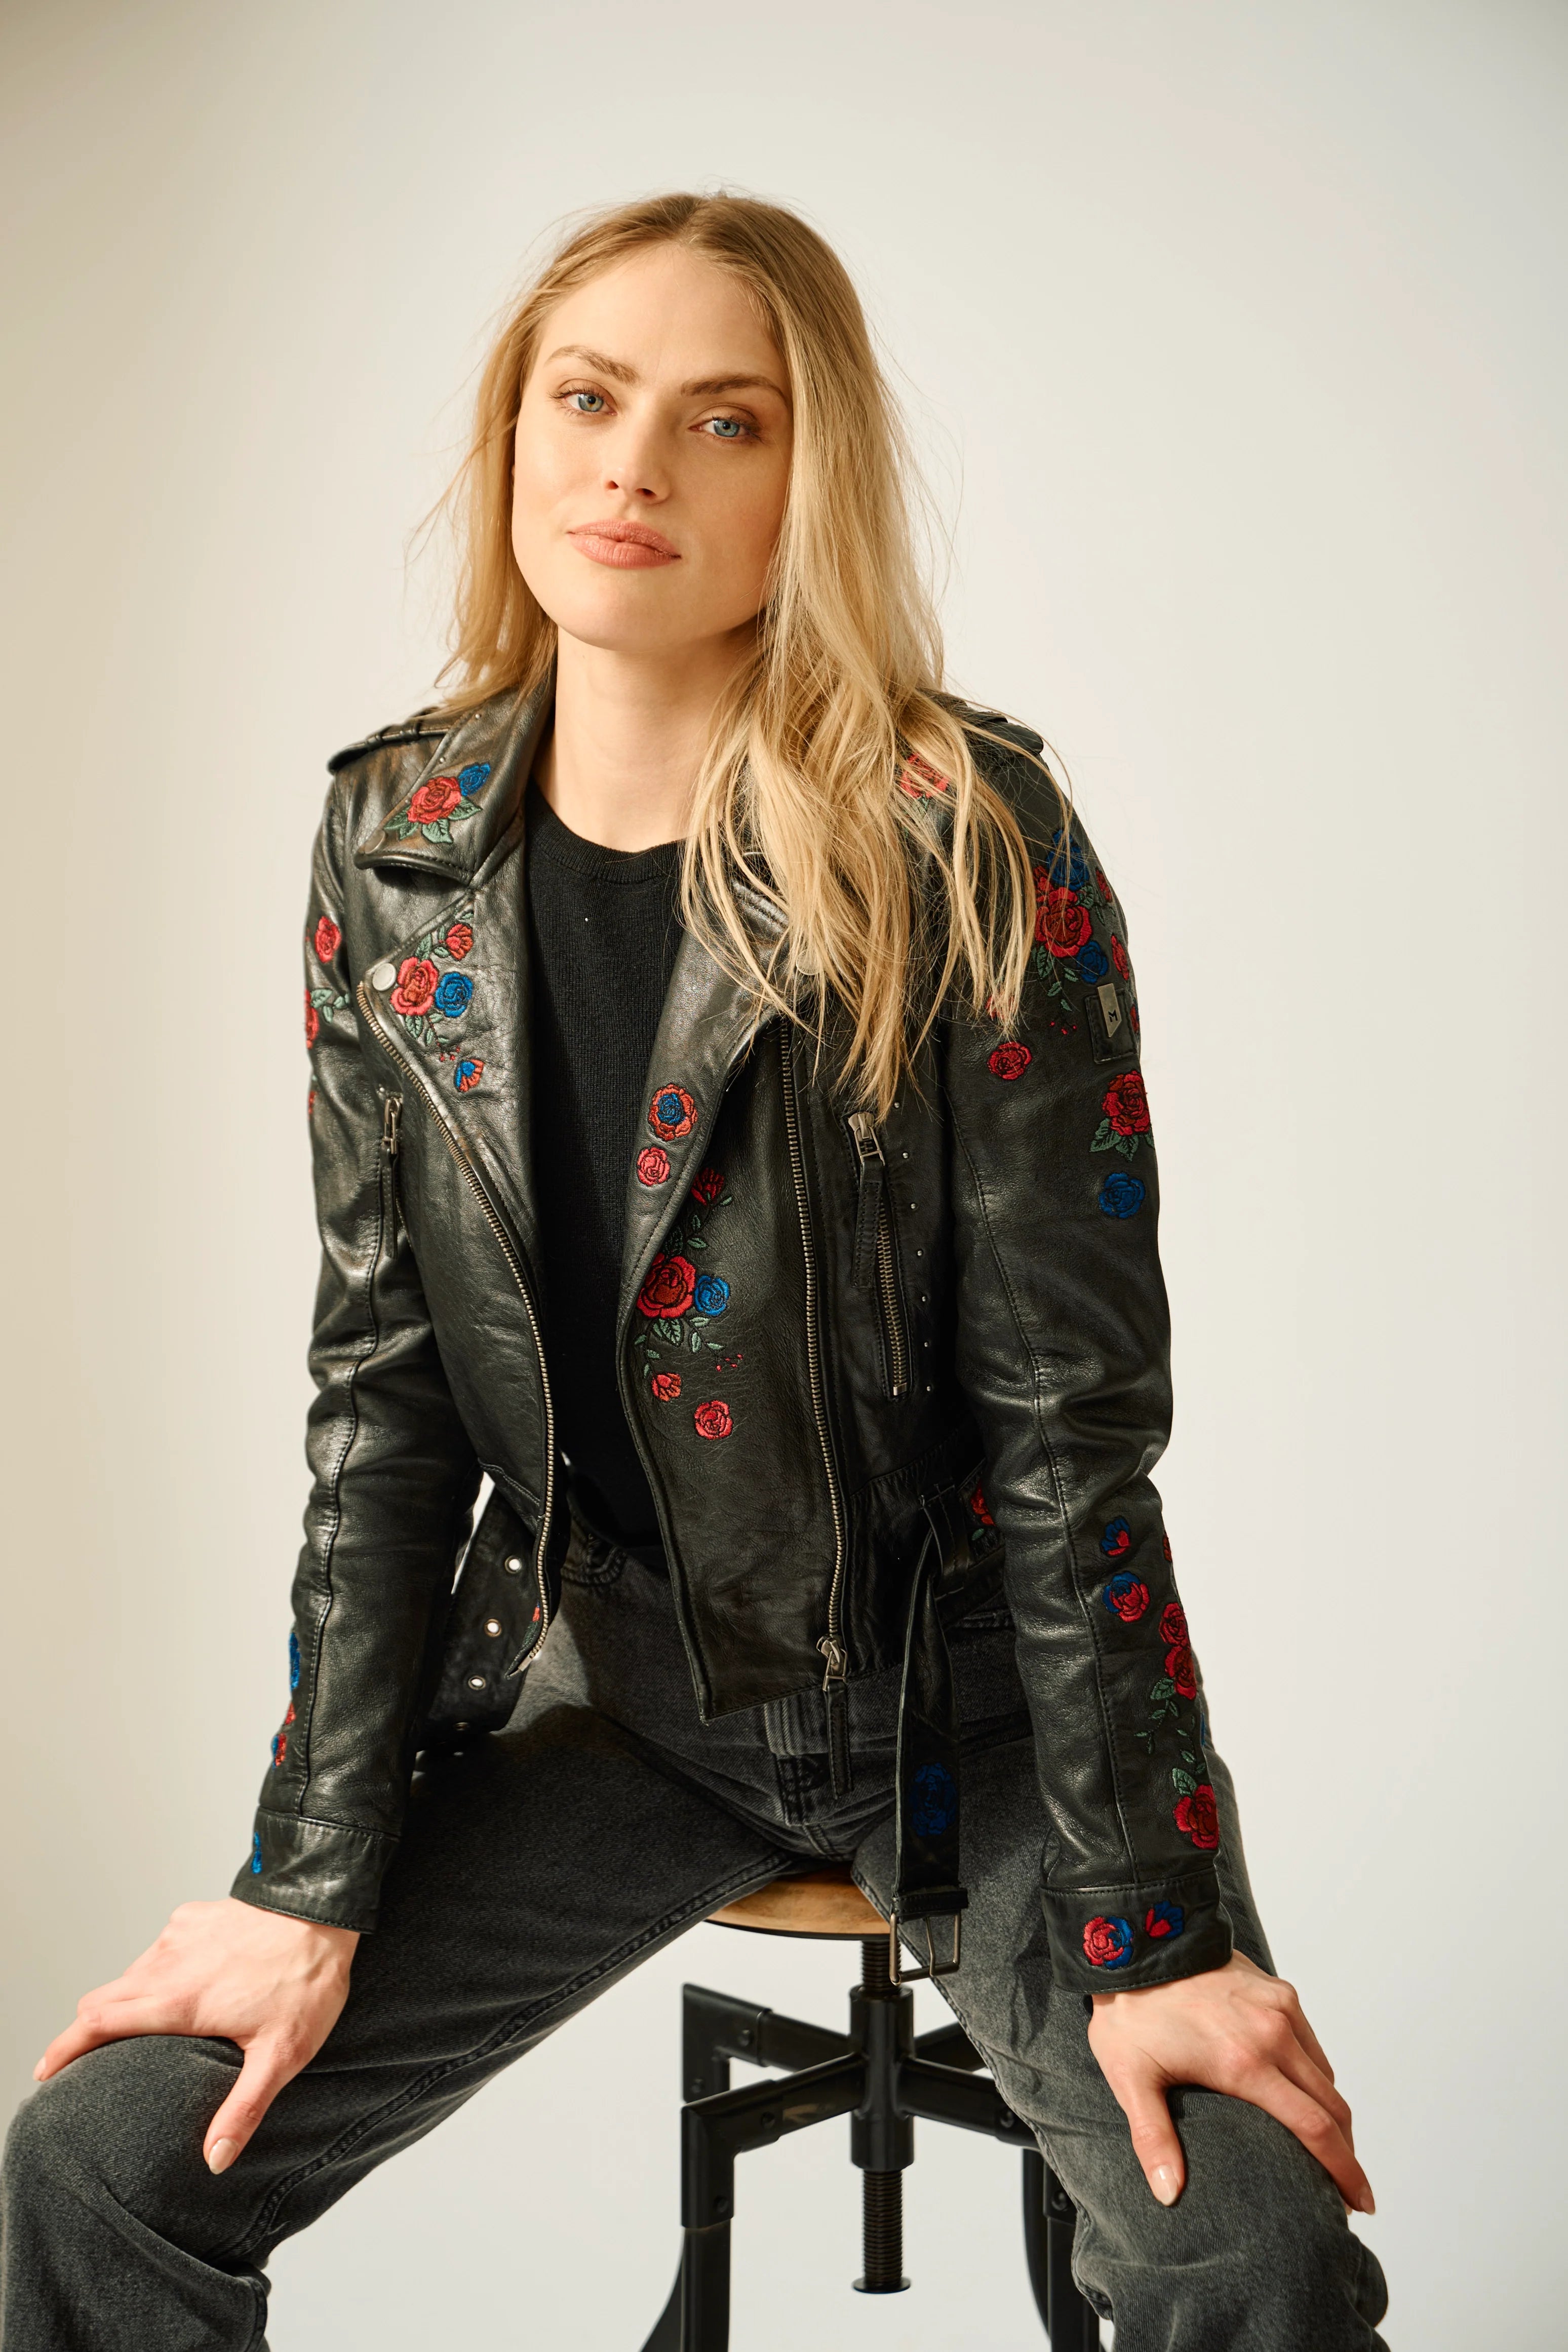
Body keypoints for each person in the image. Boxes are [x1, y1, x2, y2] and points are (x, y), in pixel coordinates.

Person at [1, 192, 1388, 2349]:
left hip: (981, 1721)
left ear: (804, 485)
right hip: (626, 1705)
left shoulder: (965, 835)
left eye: (723, 420)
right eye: (589, 398)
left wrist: (1154, 1922)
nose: (635, 464)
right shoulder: (395, 851)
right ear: (518, 437)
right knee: (95, 2171)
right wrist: (302, 1882)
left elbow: (1073, 1436)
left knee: (1255, 2257)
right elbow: (385, 1406)